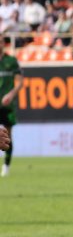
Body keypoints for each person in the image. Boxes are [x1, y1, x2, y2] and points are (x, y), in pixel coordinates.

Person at [0, 36, 22, 178]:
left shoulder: (11, 61)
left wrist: (11, 94)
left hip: (7, 105)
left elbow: (20, 82)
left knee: (7, 137)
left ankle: (6, 166)